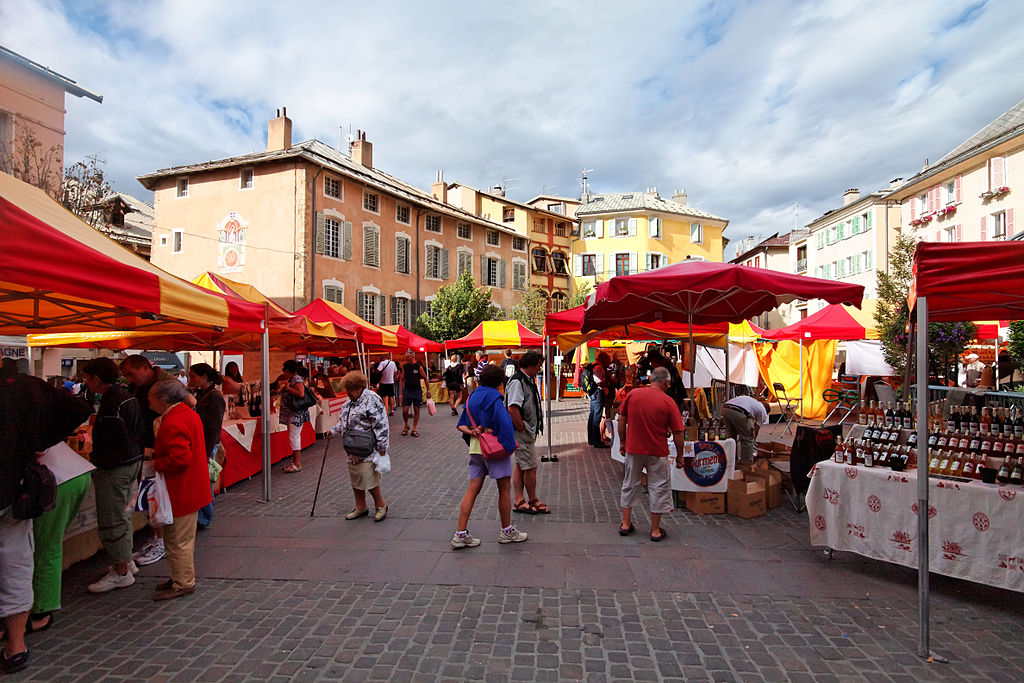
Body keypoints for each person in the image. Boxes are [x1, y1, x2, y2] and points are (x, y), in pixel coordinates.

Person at [1, 366, 90, 674]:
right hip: (19, 487)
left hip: (22, 488)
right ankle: (16, 641)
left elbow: (78, 407)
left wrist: (41, 442)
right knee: (21, 559)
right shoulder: (25, 387)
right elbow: (78, 407)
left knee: (31, 554)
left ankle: (27, 625)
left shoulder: (20, 386)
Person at [120, 354, 192, 568]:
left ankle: (162, 543)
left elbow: (189, 404)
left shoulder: (168, 384)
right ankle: (157, 540)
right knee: (153, 495)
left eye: (130, 374)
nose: (129, 379)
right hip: (149, 446)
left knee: (159, 497)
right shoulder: (141, 388)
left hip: (159, 448)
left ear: (144, 367)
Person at [83, 358, 145, 594]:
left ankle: (121, 571)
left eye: (87, 379)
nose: (86, 383)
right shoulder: (126, 397)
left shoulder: (112, 403)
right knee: (123, 515)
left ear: (97, 379)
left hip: (116, 466)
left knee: (113, 518)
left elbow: (113, 439)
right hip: (130, 462)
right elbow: (136, 432)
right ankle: (125, 560)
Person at [148, 380, 212, 601]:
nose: (148, 400)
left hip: (182, 488)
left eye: (151, 397)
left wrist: (156, 463)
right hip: (190, 487)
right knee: (180, 538)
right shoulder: (186, 414)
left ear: (164, 400)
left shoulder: (174, 421)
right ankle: (180, 575)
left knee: (177, 540)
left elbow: (179, 458)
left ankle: (183, 582)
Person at [452, 364, 527, 548]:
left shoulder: (473, 396)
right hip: (494, 448)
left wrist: (474, 432)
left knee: (472, 489)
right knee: (503, 489)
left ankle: (460, 533)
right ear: (499, 381)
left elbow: (462, 424)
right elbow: (504, 423)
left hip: (477, 448)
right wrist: (510, 446)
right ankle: (506, 531)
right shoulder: (494, 397)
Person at [617, 367, 685, 542]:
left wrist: (623, 442)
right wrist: (680, 456)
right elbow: (678, 433)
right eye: (669, 383)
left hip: (634, 448)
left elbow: (622, 418)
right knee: (658, 486)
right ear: (666, 382)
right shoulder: (669, 402)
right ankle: (655, 530)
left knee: (630, 483)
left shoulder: (633, 395)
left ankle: (625, 523)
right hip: (657, 450)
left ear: (651, 379)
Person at [326, 371, 390, 522]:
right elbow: (344, 423)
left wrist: (382, 446)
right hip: (352, 448)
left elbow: (381, 424)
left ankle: (381, 504)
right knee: (356, 477)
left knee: (367, 477)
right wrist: (333, 431)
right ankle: (360, 506)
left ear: (360, 387)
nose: (348, 393)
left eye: (351, 389)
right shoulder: (348, 403)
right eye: (347, 389)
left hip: (367, 447)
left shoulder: (372, 399)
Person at [506, 352, 550, 515]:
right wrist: (522, 428)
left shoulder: (524, 379)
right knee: (530, 466)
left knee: (521, 465)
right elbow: (512, 407)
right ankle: (531, 499)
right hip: (522, 431)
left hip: (523, 430)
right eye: (539, 365)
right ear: (531, 364)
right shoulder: (519, 381)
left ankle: (520, 500)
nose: (540, 368)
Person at [188, 363, 225, 530]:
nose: (191, 379)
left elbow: (214, 427)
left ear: (204, 377)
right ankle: (201, 514)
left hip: (206, 444)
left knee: (205, 481)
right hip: (199, 443)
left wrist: (208, 451)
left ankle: (205, 517)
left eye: (193, 376)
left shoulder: (214, 397)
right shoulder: (200, 394)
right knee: (201, 481)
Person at [278, 360, 310, 473]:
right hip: (293, 413)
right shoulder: (293, 379)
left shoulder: (296, 379)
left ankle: (297, 463)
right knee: (294, 436)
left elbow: (301, 393)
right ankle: (295, 461)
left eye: (284, 370)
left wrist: (288, 388)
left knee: (293, 436)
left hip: (296, 414)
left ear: (287, 370)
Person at [721, 394, 770, 465]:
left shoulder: (753, 403)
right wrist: (753, 441)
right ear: (767, 410)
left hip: (725, 409)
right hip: (739, 411)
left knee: (731, 438)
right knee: (747, 439)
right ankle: (746, 465)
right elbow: (755, 429)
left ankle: (731, 462)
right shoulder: (763, 412)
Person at [399, 350, 430, 437]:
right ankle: (406, 425)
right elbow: (401, 380)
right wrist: (400, 393)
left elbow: (425, 378)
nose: (406, 359)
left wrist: (428, 391)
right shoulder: (405, 367)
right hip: (407, 390)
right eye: (406, 358)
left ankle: (414, 428)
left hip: (416, 391)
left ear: (412, 357)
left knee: (416, 410)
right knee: (405, 410)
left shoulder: (418, 366)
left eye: (407, 358)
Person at [586, 353, 611, 448]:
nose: (608, 362)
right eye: (608, 360)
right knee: (596, 417)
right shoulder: (598, 367)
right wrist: (606, 384)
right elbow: (598, 382)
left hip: (593, 393)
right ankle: (596, 441)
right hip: (597, 393)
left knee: (592, 416)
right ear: (603, 359)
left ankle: (591, 439)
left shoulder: (593, 365)